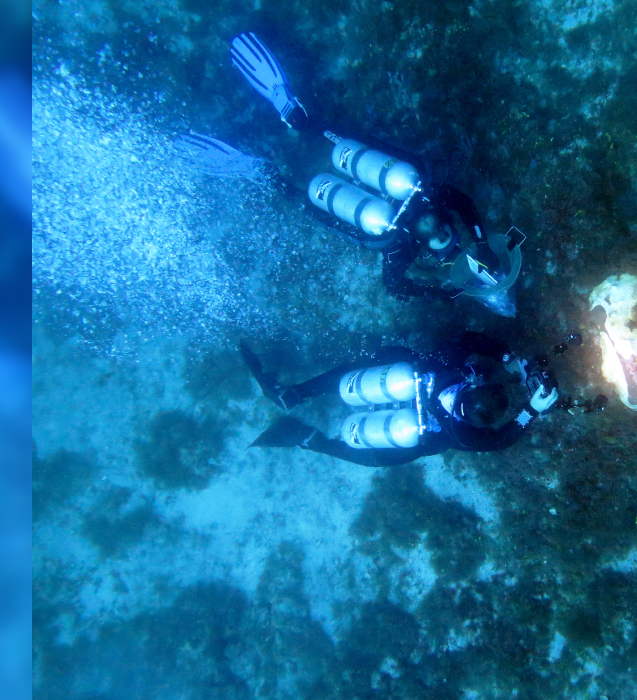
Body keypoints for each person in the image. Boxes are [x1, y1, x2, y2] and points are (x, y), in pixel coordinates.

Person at [187, 31, 524, 316]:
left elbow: (462, 204)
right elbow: (395, 285)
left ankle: (296, 117)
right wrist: (441, 291)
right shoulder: (402, 244)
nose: (439, 230)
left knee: (354, 148)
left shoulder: (425, 195)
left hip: (377, 173)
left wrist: (479, 244)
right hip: (359, 202)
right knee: (306, 201)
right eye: (444, 233)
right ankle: (260, 171)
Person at [239, 332, 560, 467]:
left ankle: (294, 395)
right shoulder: (461, 435)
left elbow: (468, 339)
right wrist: (530, 410)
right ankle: (311, 439)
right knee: (373, 458)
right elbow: (499, 440)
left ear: (473, 384)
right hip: (405, 433)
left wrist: (506, 356)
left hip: (399, 386)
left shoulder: (447, 369)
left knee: (363, 369)